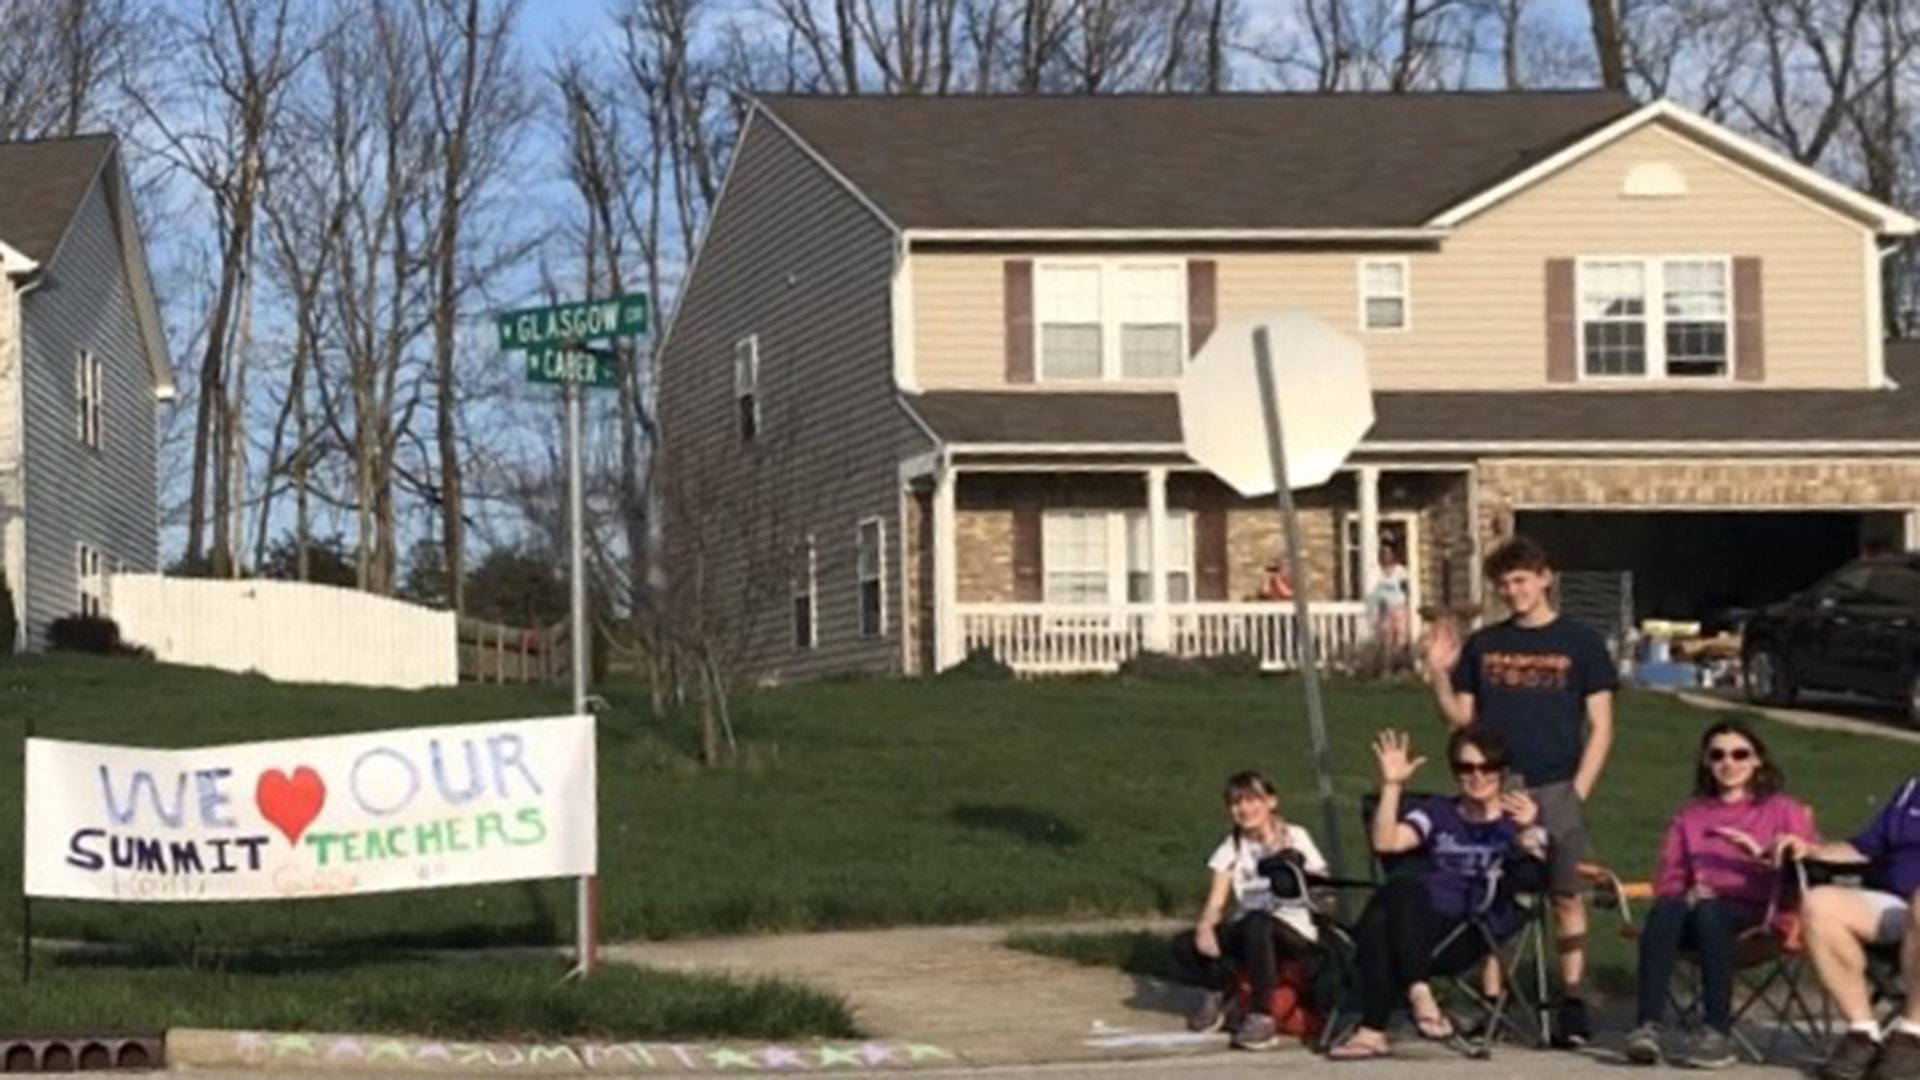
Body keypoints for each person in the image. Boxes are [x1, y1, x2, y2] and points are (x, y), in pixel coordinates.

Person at [1424, 535, 1617, 1047]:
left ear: (1545, 578)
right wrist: (1439, 675)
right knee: (1498, 893)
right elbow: (1462, 718)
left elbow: (1601, 726)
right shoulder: (1485, 644)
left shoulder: (1581, 643)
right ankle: (1494, 1002)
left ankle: (1572, 1001)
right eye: (1504, 584)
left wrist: (1578, 791)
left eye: (1521, 581)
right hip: (1494, 781)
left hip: (1556, 784)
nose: (1513, 592)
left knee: (1565, 894)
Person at [1327, 727, 1548, 1061]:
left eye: (1487, 768)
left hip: (1473, 928)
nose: (1477, 776)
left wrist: (1529, 832)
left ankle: (1373, 1030)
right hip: (1421, 919)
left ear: (1502, 771)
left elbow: (1535, 878)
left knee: (1382, 915)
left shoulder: (1517, 819)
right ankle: (1419, 994)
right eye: (1466, 768)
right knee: (1397, 896)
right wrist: (1392, 786)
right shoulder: (1437, 811)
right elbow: (1386, 843)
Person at [1622, 720, 1816, 1069]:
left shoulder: (1782, 809)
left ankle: (1717, 1032)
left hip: (1760, 915)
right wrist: (1686, 892)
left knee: (1710, 911)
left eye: (1740, 754)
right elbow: (1670, 875)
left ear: (1757, 760)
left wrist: (1764, 854)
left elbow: (1807, 868)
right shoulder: (1691, 815)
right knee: (1668, 907)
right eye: (1718, 755)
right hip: (1697, 914)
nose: (1730, 763)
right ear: (1707, 763)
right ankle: (1647, 1027)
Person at [1172, 770, 1329, 1051]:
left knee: (1259, 923)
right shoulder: (1231, 846)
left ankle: (1262, 1014)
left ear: (1271, 802)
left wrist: (1294, 869)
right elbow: (1216, 902)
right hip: (1249, 929)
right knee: (1186, 943)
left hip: (1293, 931)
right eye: (1236, 803)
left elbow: (1323, 890)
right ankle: (1221, 989)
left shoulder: (1295, 836)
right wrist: (1206, 928)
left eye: (1252, 800)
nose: (1244, 809)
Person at [1777, 776, 1920, 1080]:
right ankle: (1863, 1033)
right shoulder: (1912, 791)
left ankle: (1911, 1035)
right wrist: (1810, 850)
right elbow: (1864, 847)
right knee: (1820, 904)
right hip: (1899, 905)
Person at [1368, 542, 1413, 659]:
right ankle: (1387, 663)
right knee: (1386, 637)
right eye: (1383, 553)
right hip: (1383, 609)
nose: (1386, 556)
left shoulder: (1400, 571)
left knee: (1400, 637)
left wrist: (1405, 603)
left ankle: (1398, 661)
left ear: (1393, 555)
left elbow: (1406, 589)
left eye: (1388, 553)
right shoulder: (1377, 572)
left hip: (1399, 607)